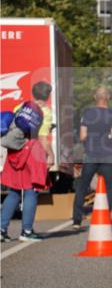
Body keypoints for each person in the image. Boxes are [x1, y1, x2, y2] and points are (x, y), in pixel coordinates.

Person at [1, 83, 52, 242]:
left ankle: (1, 229)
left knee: (15, 191)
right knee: (31, 190)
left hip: (15, 151)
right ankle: (27, 231)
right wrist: (50, 155)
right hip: (32, 152)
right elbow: (42, 138)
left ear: (33, 93)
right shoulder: (45, 112)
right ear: (48, 96)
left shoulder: (20, 107)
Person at [72, 86, 112, 230]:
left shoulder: (87, 113)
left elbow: (82, 136)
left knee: (82, 186)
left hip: (91, 155)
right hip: (109, 156)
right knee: (109, 187)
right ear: (108, 98)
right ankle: (105, 218)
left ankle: (76, 221)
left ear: (95, 97)